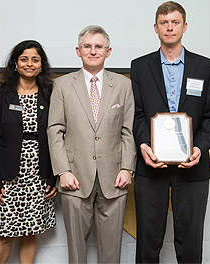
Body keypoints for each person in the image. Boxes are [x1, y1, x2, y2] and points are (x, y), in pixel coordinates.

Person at [130, 1, 210, 263]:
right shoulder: (139, 66)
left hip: (192, 166)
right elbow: (135, 114)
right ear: (156, 28)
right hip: (151, 165)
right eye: (164, 23)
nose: (169, 27)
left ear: (184, 26)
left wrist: (199, 148)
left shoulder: (205, 67)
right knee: (148, 241)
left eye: (174, 22)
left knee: (190, 241)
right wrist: (144, 146)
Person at [47, 25, 137, 263]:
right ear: (78, 51)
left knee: (111, 250)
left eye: (99, 47)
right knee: (76, 250)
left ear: (108, 51)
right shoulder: (62, 85)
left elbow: (128, 131)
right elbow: (55, 130)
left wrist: (127, 168)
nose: (93, 51)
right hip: (74, 178)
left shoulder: (123, 85)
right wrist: (63, 171)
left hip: (114, 178)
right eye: (88, 46)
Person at [0, 40, 58, 264]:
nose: (29, 64)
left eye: (35, 59)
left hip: (39, 174)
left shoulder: (51, 94)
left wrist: (53, 177)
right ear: (15, 63)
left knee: (29, 231)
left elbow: (57, 136)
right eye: (24, 59)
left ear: (41, 65)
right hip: (7, 176)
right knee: (4, 234)